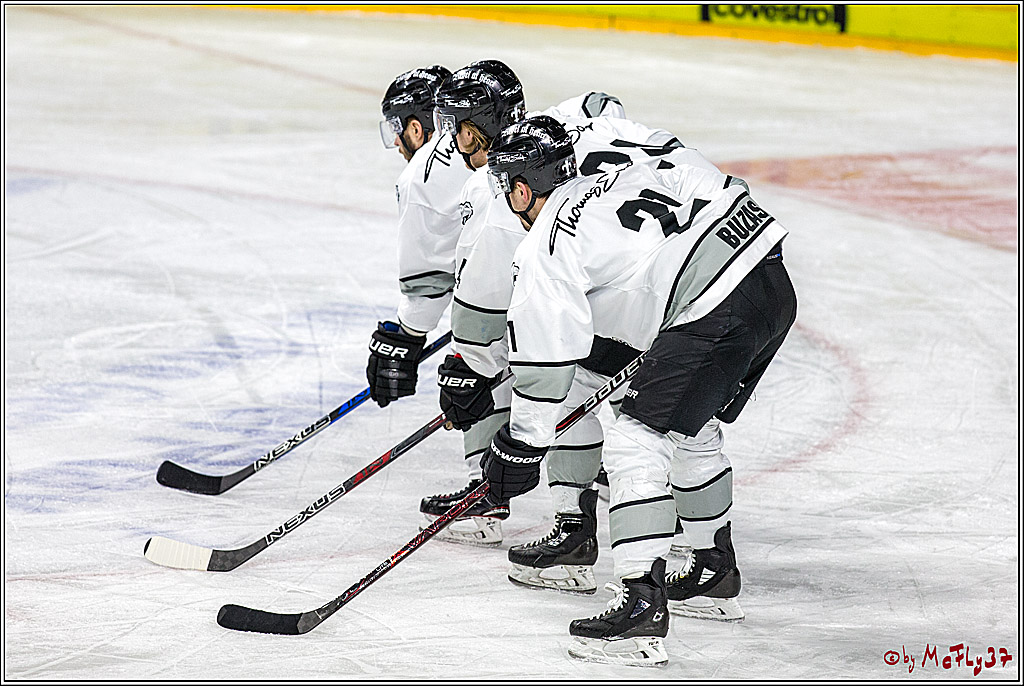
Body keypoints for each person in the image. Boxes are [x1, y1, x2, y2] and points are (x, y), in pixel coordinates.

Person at [479, 116, 797, 666]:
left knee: (635, 436)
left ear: (521, 188)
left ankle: (641, 603)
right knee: (688, 422)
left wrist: (520, 444)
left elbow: (545, 363)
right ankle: (710, 568)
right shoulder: (621, 171)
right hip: (769, 281)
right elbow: (721, 187)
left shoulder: (545, 246)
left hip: (709, 310)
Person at [428, 60, 736, 588]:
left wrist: (479, 374)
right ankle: (584, 530)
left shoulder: (512, 204)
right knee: (604, 395)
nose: (453, 143)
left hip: (676, 297)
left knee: (643, 432)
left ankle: (656, 571)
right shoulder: (575, 130)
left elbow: (499, 303)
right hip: (717, 249)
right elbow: (602, 103)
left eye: (460, 127)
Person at [366, 65, 503, 534]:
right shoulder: (497, 134)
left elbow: (428, 278)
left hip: (502, 280)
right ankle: (593, 477)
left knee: (471, 361)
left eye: (397, 130)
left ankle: (485, 490)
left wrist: (407, 337)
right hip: (554, 269)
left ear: (416, 127)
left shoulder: (421, 177)